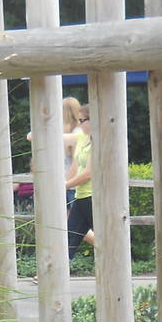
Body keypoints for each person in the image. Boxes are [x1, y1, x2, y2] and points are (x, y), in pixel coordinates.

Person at [65, 104, 95, 257]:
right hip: (82, 196)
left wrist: (64, 186)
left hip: (94, 197)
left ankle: (120, 271)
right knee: (69, 237)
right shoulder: (82, 138)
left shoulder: (100, 141)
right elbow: (75, 167)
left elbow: (89, 173)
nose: (80, 124)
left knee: (106, 239)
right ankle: (54, 275)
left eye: (83, 120)